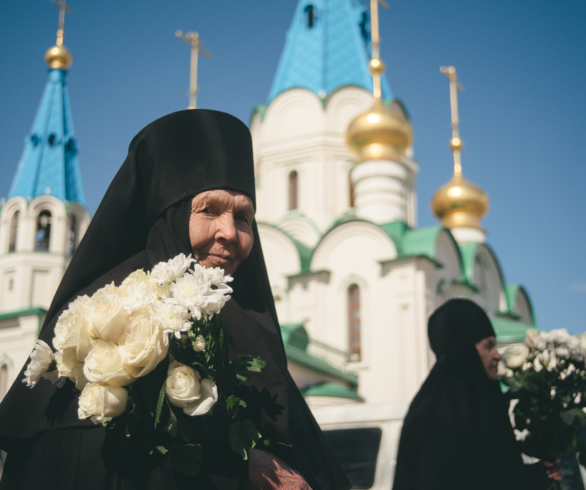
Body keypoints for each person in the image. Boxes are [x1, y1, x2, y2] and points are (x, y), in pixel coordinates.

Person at [0, 110, 350, 490]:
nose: (229, 232)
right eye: (210, 210)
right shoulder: (109, 316)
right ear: (169, 217)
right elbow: (87, 465)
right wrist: (238, 471)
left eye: (244, 217)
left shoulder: (245, 323)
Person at [392, 298, 561, 490]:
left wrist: (539, 475)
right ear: (465, 355)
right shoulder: (431, 422)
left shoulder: (481, 411)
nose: (498, 355)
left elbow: (492, 476)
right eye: (488, 346)